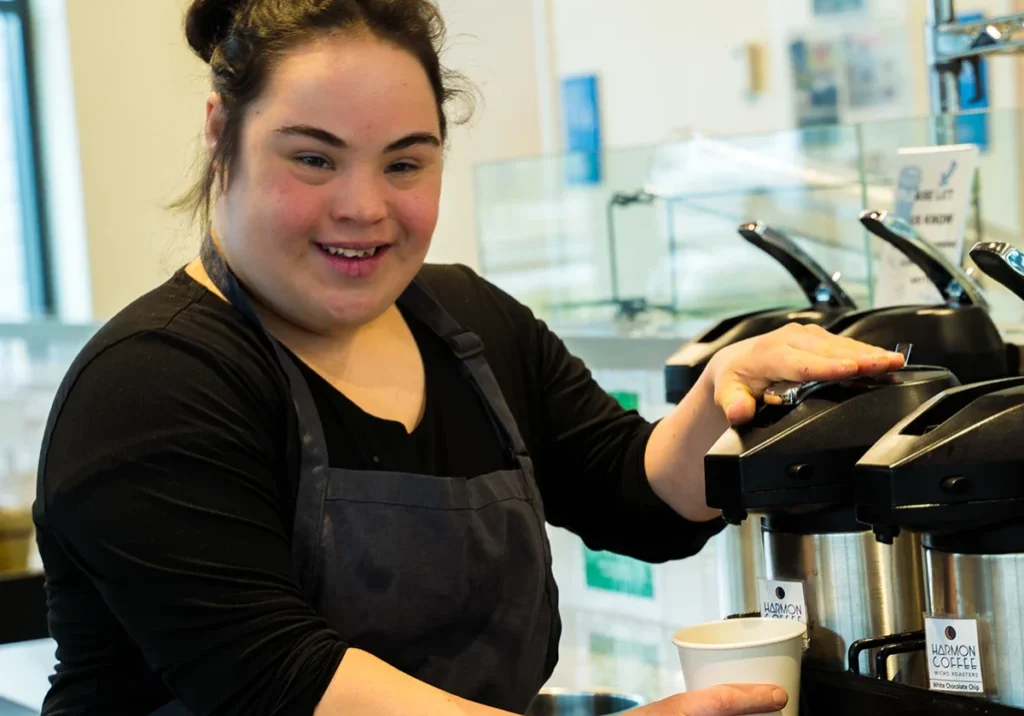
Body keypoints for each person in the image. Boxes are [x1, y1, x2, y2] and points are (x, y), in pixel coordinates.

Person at [32, 1, 905, 715]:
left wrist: (718, 398)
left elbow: (632, 493)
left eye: (405, 164)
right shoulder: (152, 385)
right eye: (312, 158)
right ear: (223, 130)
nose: (364, 208)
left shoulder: (467, 318)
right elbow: (280, 681)